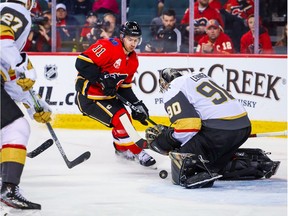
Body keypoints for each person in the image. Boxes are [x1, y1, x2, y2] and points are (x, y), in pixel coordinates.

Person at [145, 68, 280, 188]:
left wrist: (169, 139)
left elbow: (189, 128)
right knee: (215, 162)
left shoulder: (172, 88)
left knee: (181, 158)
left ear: (165, 83)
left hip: (219, 132)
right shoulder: (199, 76)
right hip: (244, 127)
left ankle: (198, 171)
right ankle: (255, 165)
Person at [74, 21, 156, 167]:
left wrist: (137, 104)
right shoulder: (108, 47)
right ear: (122, 37)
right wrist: (101, 78)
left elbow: (124, 88)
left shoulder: (133, 60)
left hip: (108, 97)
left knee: (126, 117)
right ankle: (138, 152)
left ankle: (122, 150)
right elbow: (81, 63)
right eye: (130, 39)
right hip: (88, 97)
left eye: (136, 40)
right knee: (120, 118)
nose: (133, 43)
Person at [0, 0, 52, 210]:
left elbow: (14, 82)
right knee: (16, 129)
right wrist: (20, 65)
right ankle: (9, 189)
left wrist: (36, 107)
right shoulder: (15, 10)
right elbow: (2, 39)